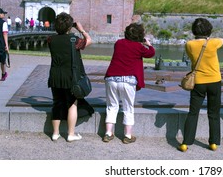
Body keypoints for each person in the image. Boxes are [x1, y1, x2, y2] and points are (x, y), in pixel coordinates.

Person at [178, 18, 223, 152]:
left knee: (193, 112)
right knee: (214, 112)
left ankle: (186, 142)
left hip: (198, 82)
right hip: (214, 81)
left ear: (193, 31)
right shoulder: (214, 43)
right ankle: (213, 142)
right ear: (209, 30)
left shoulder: (189, 44)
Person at [103, 23, 155, 144]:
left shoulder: (118, 43)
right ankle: (127, 135)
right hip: (128, 80)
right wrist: (148, 44)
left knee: (111, 106)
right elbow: (151, 53)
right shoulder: (139, 47)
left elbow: (126, 49)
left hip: (112, 78)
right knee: (128, 108)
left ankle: (108, 133)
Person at [47, 12, 94, 142]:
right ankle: (70, 134)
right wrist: (81, 30)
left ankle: (55, 134)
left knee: (56, 103)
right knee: (72, 104)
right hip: (70, 77)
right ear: (70, 27)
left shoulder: (50, 39)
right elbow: (89, 41)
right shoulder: (74, 40)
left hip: (55, 75)